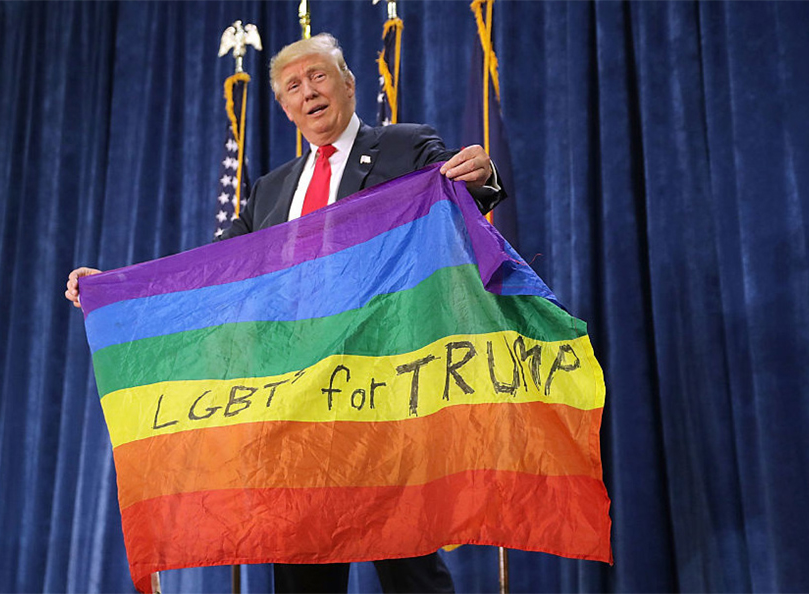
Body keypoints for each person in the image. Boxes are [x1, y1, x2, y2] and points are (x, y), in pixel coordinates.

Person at [66, 33, 505, 594]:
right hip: (296, 403)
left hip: (380, 391)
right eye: (293, 86)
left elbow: (456, 192)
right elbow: (213, 266)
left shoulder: (405, 146)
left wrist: (480, 177)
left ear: (348, 83)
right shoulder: (270, 191)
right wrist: (118, 287)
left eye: (319, 76)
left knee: (408, 563)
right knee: (302, 567)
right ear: (284, 105)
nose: (309, 92)